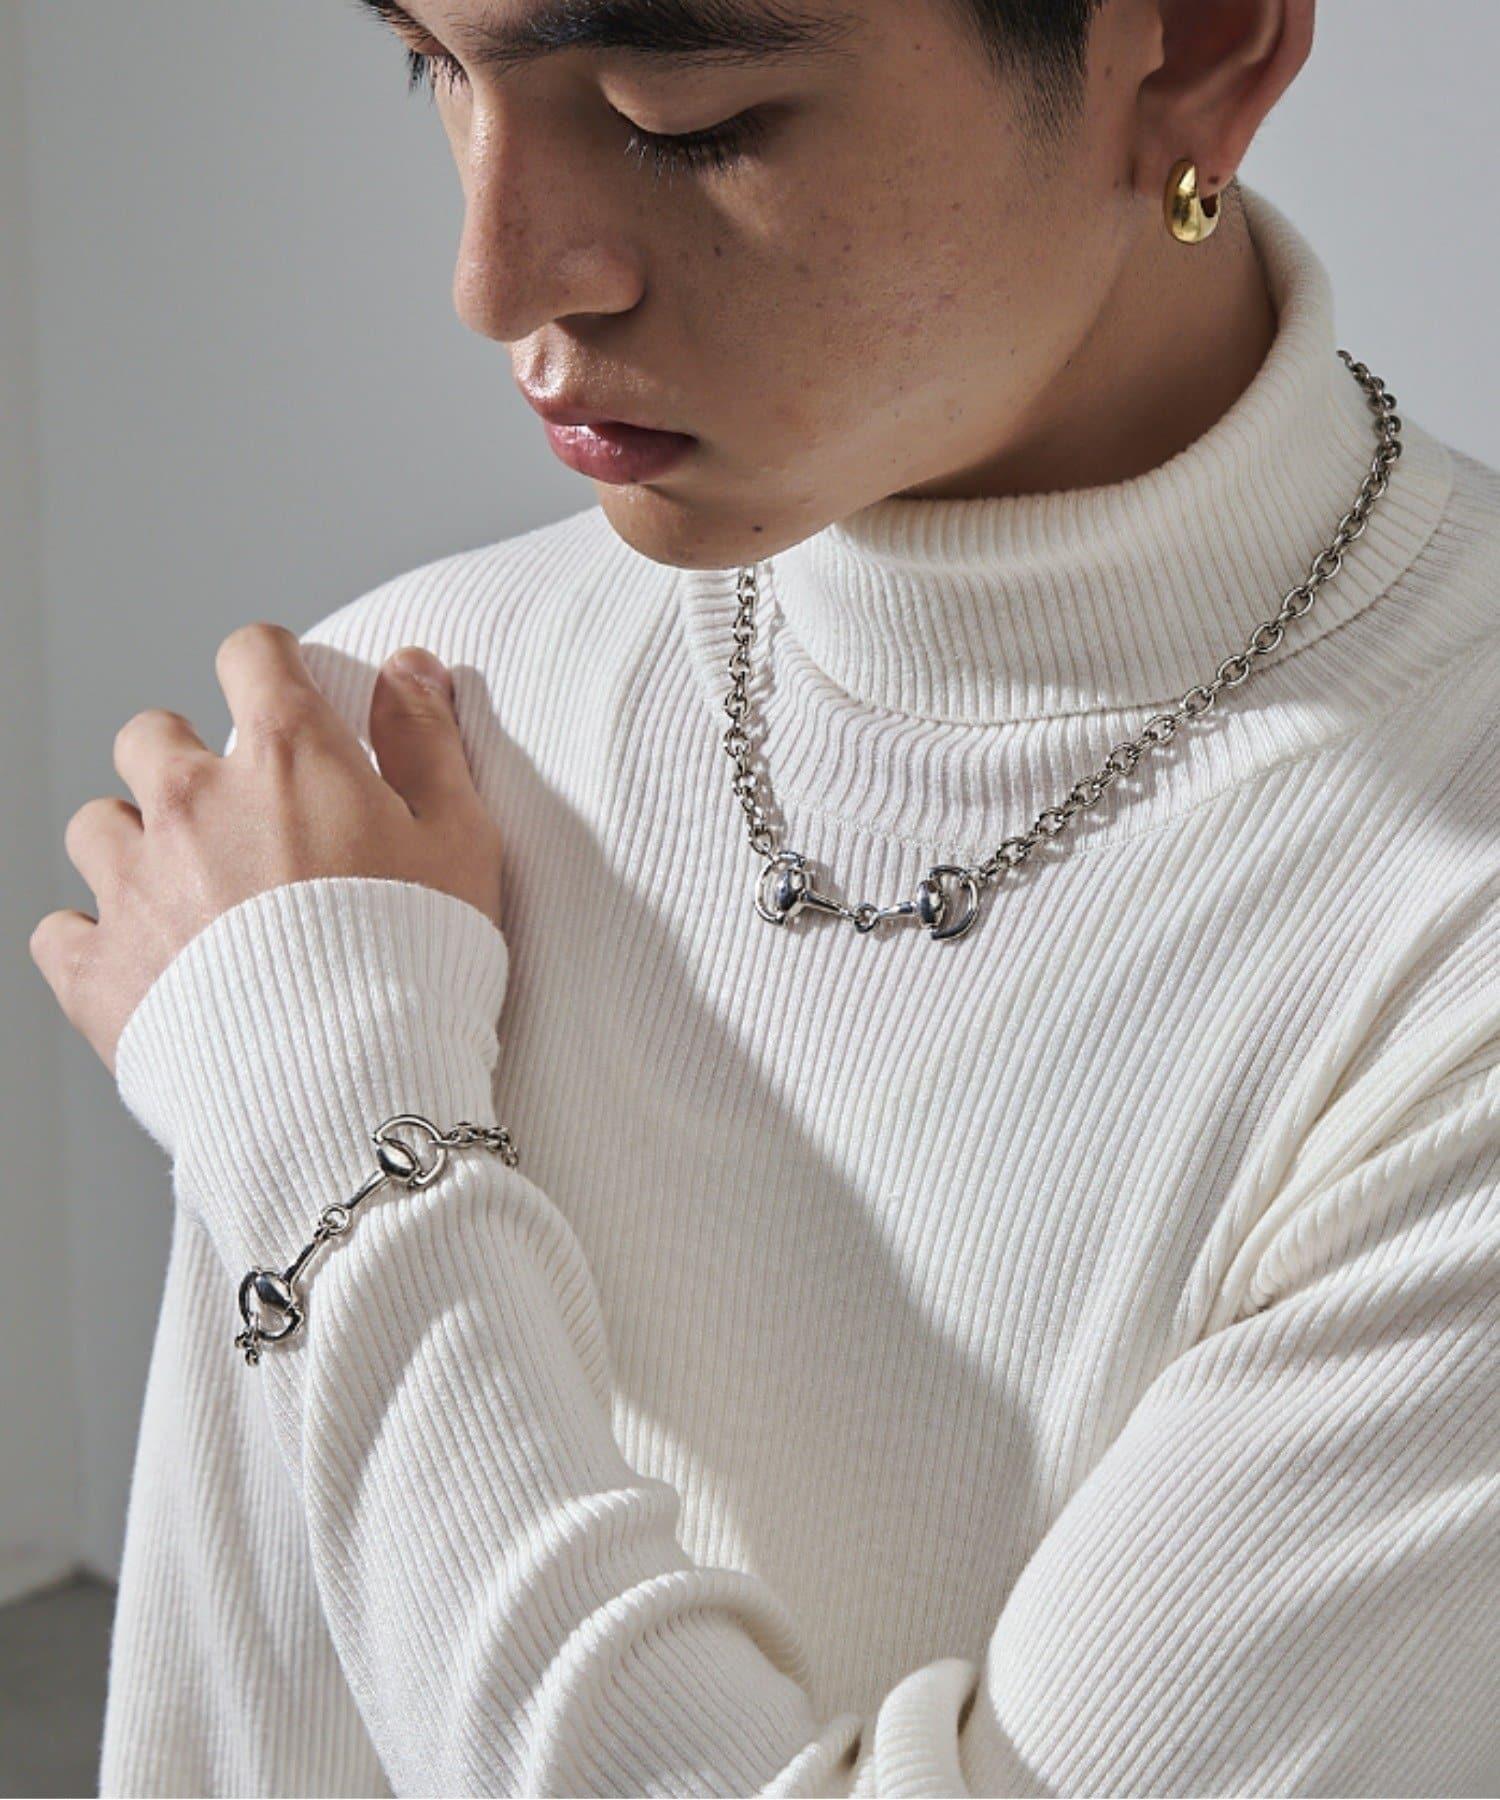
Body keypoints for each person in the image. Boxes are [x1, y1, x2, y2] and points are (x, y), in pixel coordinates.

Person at [29, 0, 1499, 1792]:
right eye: (434, 65)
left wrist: (333, 1125)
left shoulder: (1451, 918)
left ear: (1193, 51)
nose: (493, 280)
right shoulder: (402, 744)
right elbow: (245, 1738)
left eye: (685, 115)